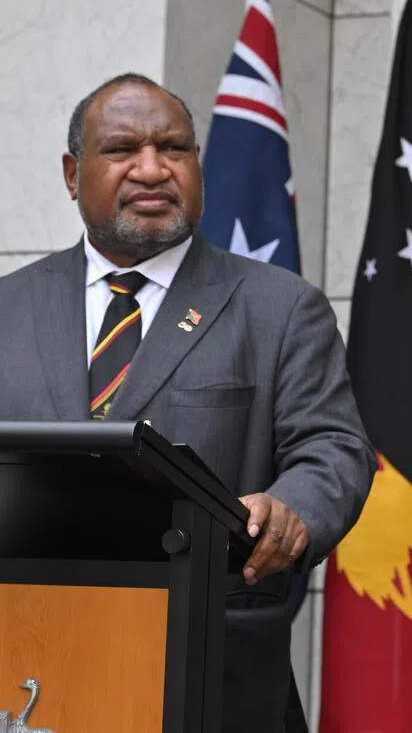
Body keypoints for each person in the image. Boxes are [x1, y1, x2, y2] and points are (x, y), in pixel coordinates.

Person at [0, 73, 376, 731]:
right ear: (71, 172)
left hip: (213, 672)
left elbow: (334, 448)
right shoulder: (9, 307)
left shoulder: (281, 308)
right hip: (28, 660)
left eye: (174, 148)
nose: (152, 169)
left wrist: (294, 511)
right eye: (122, 150)